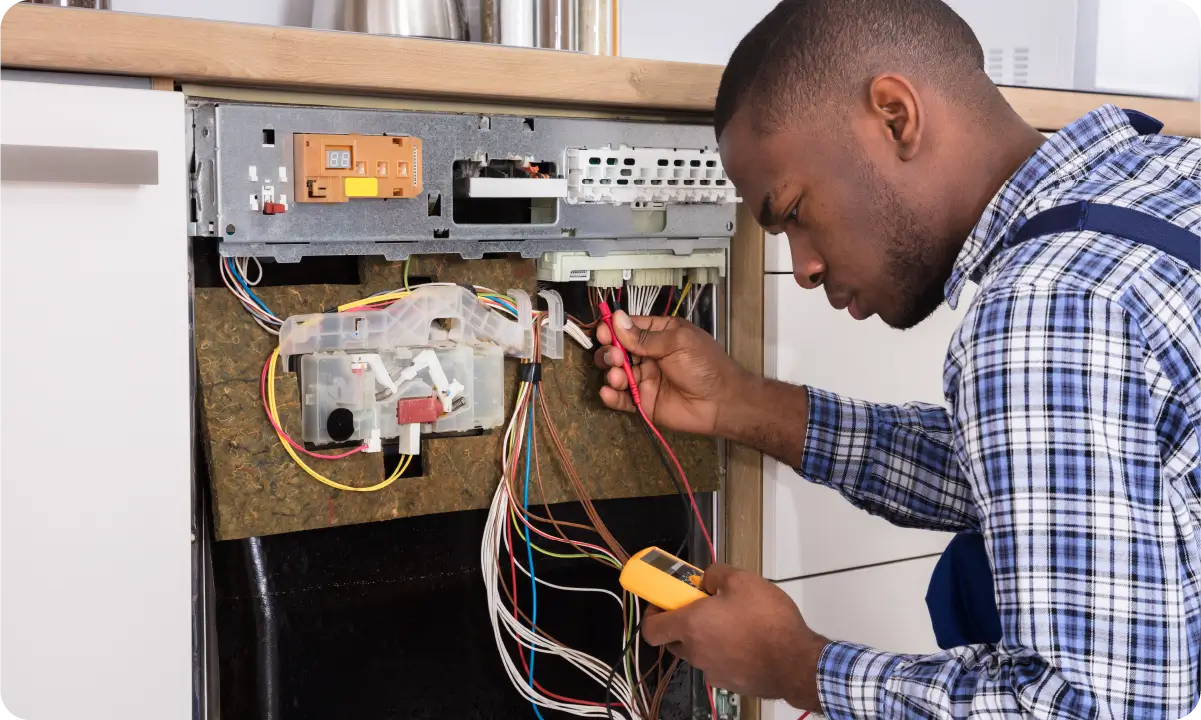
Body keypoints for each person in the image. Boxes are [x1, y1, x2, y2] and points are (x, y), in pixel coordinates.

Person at [594, 0, 1201, 717]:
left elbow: (1087, 709)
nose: (802, 270)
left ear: (893, 116)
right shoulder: (1165, 175)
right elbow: (1058, 480)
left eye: (792, 212)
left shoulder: (1050, 305)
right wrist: (738, 403)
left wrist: (793, 664)